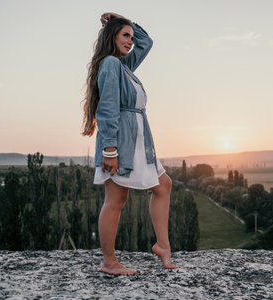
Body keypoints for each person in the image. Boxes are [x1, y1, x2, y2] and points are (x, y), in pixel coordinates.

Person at [81, 12, 178, 275]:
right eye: (125, 35)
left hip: (139, 141)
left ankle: (162, 246)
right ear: (111, 36)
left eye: (131, 37)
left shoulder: (124, 66)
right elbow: (107, 108)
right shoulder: (111, 64)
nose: (131, 41)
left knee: (163, 185)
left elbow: (146, 43)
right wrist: (110, 149)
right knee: (116, 199)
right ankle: (109, 262)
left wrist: (125, 20)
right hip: (121, 142)